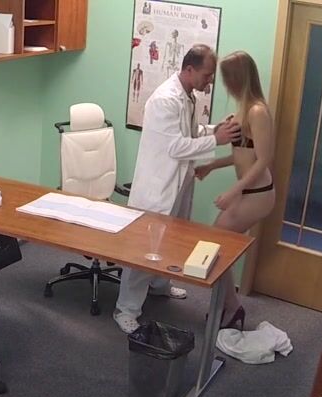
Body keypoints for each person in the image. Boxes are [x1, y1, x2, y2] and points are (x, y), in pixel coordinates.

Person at [114, 44, 240, 334]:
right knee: (143, 249)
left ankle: (160, 285)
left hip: (179, 183)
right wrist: (217, 140)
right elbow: (175, 146)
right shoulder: (165, 100)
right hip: (158, 187)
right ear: (189, 69)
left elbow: (190, 133)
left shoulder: (188, 96)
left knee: (170, 240)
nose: (210, 81)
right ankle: (125, 310)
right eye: (207, 75)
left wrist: (214, 129)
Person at [194, 50, 275, 330]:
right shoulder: (243, 109)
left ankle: (232, 307)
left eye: (226, 78)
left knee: (215, 244)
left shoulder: (257, 111)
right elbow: (242, 155)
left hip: (258, 194)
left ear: (237, 79)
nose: (223, 84)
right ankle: (230, 306)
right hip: (247, 191)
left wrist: (233, 191)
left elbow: (263, 159)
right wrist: (212, 165)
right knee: (217, 246)